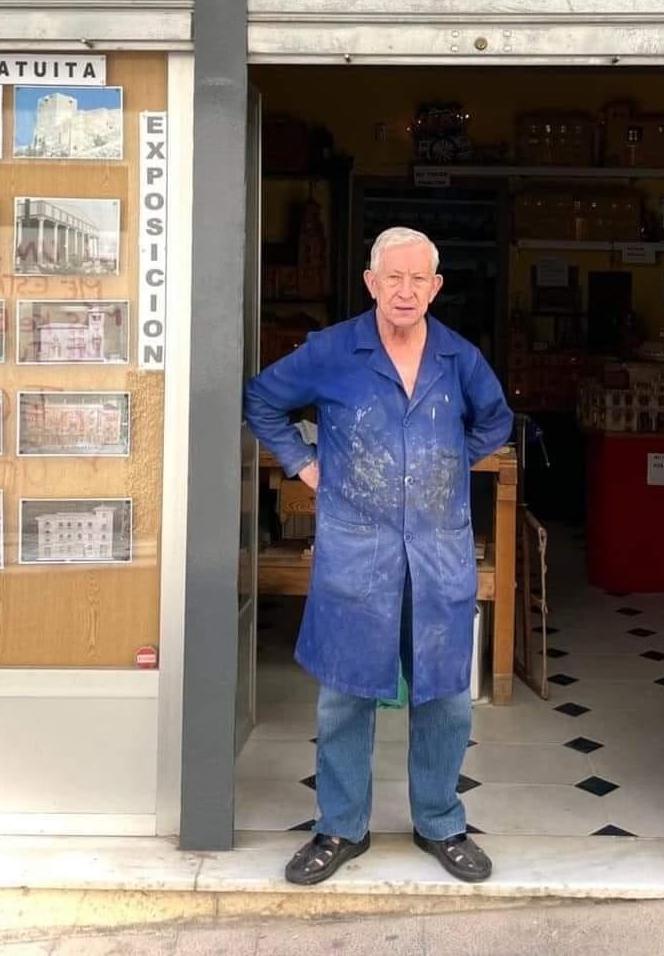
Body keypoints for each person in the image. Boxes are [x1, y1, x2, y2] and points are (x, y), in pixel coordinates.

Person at [243, 226, 514, 886]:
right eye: (392, 277)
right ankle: (340, 825)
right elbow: (262, 400)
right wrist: (306, 465)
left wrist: (446, 465)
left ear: (435, 287)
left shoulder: (458, 357)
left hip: (437, 548)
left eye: (417, 279)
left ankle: (441, 821)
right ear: (370, 282)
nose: (404, 290)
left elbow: (496, 419)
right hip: (355, 553)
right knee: (345, 694)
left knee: (445, 694)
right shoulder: (334, 350)